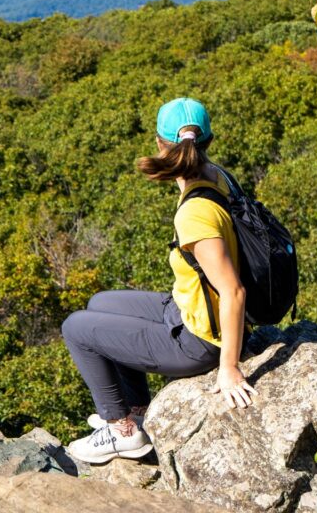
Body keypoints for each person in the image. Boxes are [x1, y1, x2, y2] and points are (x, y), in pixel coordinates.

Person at [61, 97, 258, 464]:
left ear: (159, 143)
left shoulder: (195, 213)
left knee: (76, 328)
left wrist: (228, 367)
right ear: (209, 142)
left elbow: (233, 290)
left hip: (199, 340)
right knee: (99, 303)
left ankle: (122, 430)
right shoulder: (217, 177)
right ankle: (137, 409)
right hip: (188, 307)